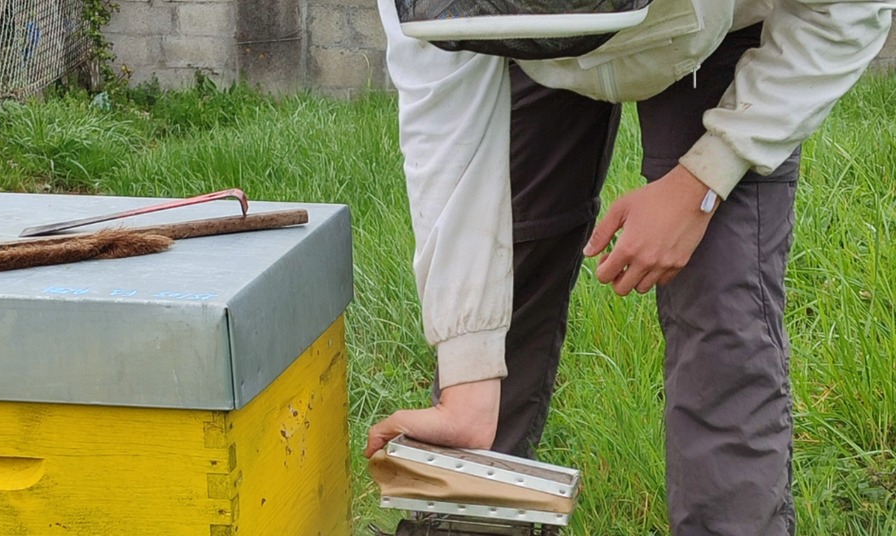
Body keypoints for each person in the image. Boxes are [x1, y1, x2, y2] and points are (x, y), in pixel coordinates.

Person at [363, 0, 895, 534]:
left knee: (723, 311)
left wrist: (706, 179)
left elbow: (848, 10)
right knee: (512, 261)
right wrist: (467, 386)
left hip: (716, 37)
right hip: (526, 44)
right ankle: (468, 516)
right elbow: (448, 134)